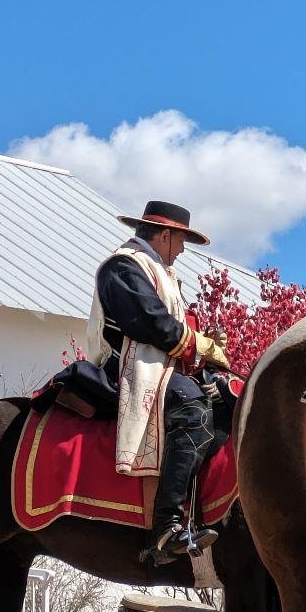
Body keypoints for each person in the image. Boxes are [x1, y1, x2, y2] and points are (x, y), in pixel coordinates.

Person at [86, 200, 231, 562]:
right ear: (165, 235)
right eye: (180, 241)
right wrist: (200, 343)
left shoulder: (157, 271)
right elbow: (152, 323)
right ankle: (166, 527)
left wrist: (206, 356)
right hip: (127, 367)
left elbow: (172, 329)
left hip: (159, 366)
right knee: (194, 411)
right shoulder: (123, 266)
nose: (182, 250)